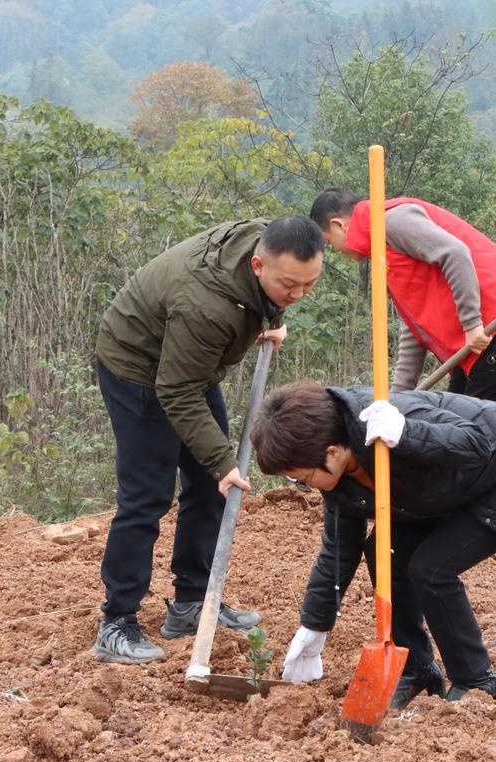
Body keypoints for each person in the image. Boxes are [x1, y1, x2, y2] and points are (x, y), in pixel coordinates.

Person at [249, 382, 496, 705]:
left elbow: (478, 443)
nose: (303, 487)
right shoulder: (339, 475)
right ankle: (417, 669)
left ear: (331, 453)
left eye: (302, 478)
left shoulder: (388, 418)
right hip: (454, 488)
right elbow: (339, 550)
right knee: (384, 552)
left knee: (431, 569)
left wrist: (407, 433)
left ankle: (476, 680)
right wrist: (315, 626)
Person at [92, 217, 325, 664]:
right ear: (258, 265)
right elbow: (176, 391)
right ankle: (116, 622)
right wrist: (223, 461)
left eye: (308, 284)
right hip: (138, 365)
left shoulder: (268, 241)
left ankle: (192, 603)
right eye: (288, 285)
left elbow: (263, 297)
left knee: (209, 484)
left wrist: (274, 315)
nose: (298, 294)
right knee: (147, 495)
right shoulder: (207, 307)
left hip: (187, 366)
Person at [310, 188, 496, 406]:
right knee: (453, 417)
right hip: (482, 333)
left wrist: (472, 324)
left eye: (329, 242)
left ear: (338, 225)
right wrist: (398, 398)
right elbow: (414, 323)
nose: (336, 249)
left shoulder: (391, 221)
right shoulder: (381, 255)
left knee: (477, 426)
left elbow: (455, 254)